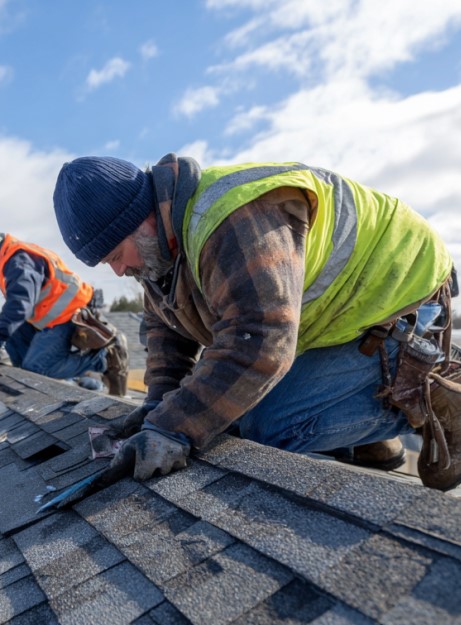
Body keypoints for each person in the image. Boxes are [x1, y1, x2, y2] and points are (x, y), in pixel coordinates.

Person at [53, 154, 461, 491]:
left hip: (401, 294)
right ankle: (363, 432)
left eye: (115, 256)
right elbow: (166, 326)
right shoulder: (162, 245)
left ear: (139, 221)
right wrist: (159, 405)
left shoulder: (233, 219)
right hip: (338, 319)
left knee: (262, 424)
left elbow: (261, 341)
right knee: (224, 407)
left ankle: (428, 392)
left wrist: (175, 428)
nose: (120, 271)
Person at [0, 227, 129, 395]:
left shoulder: (17, 261)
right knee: (14, 341)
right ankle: (29, 382)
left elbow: (18, 306)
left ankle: (104, 358)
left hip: (70, 314)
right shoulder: (7, 257)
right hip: (52, 316)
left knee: (37, 369)